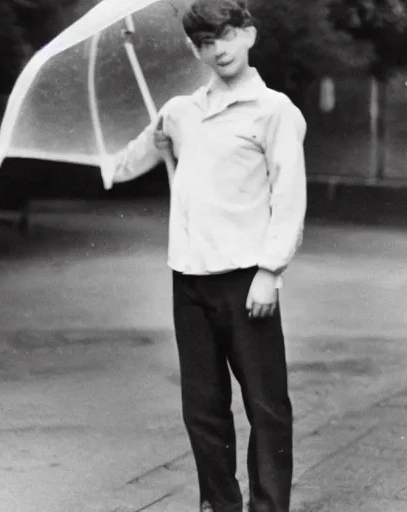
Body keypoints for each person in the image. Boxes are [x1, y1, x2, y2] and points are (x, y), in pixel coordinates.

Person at [102, 1, 307, 511]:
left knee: (267, 407)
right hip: (188, 280)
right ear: (197, 50)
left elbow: (290, 197)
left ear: (248, 36)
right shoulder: (180, 111)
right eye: (205, 43)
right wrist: (154, 139)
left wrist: (270, 270)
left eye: (226, 36)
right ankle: (219, 504)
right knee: (203, 409)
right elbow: (121, 169)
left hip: (246, 279)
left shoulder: (274, 110)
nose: (217, 49)